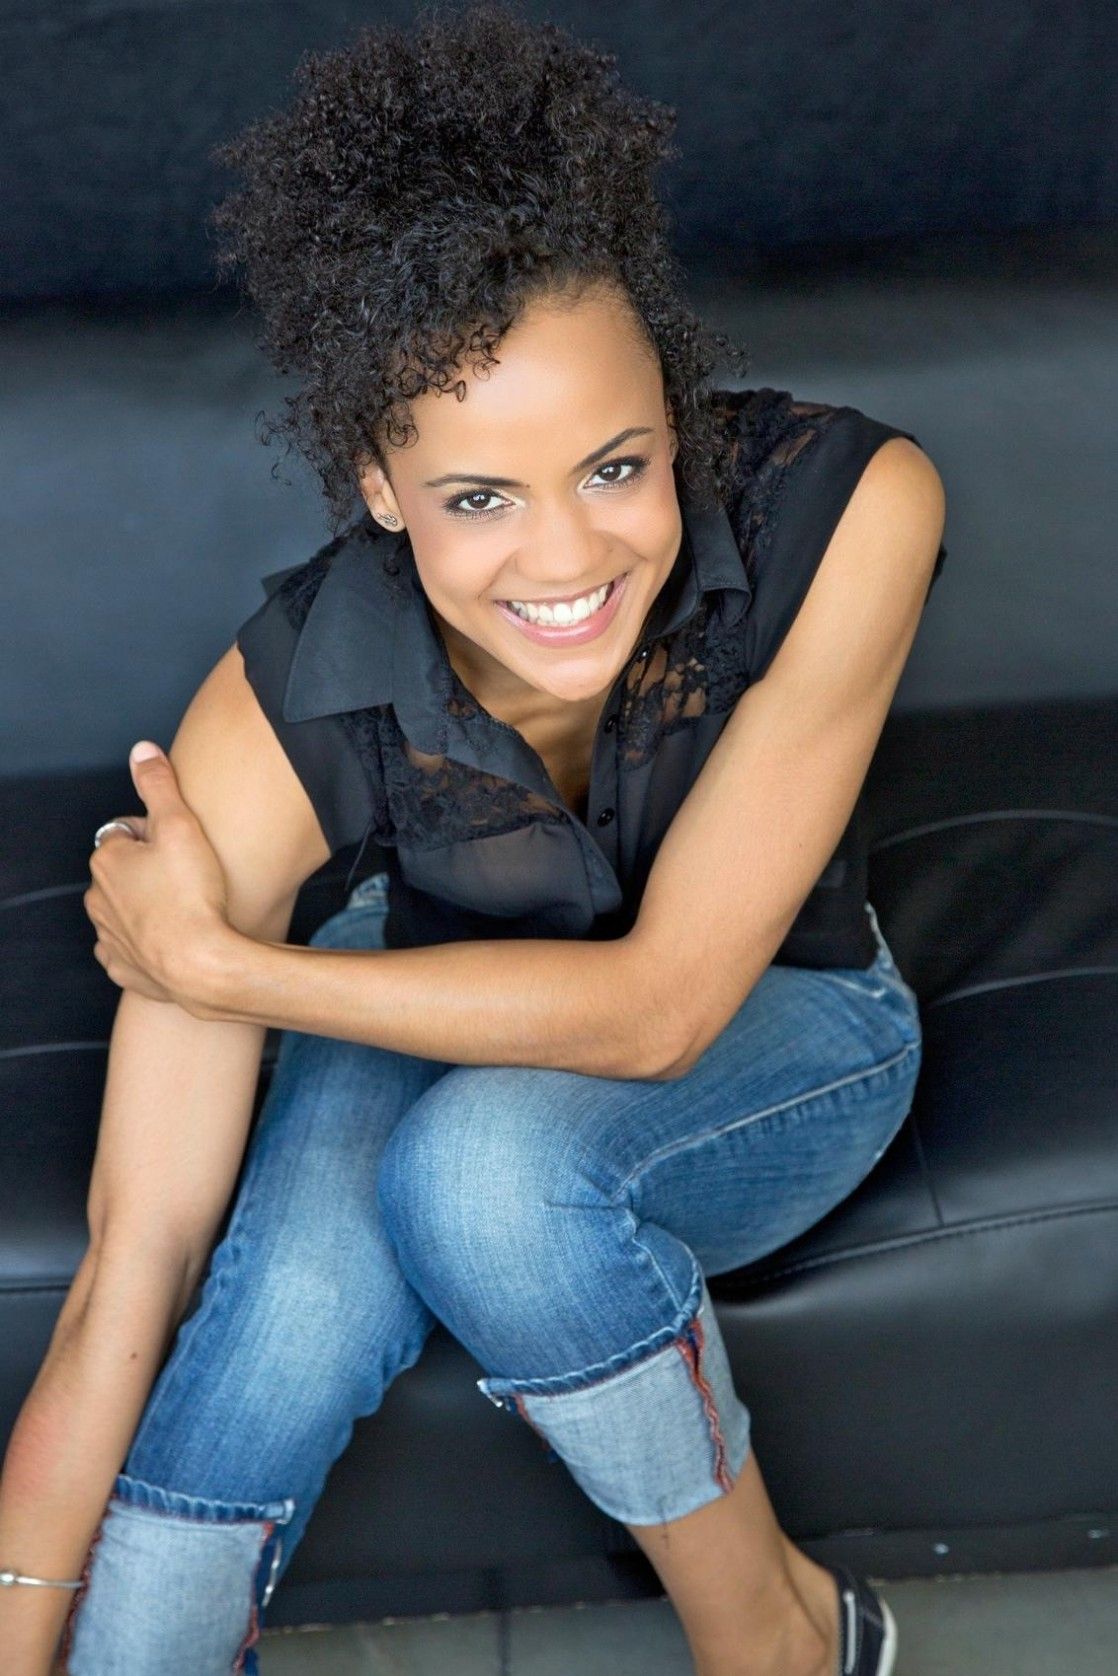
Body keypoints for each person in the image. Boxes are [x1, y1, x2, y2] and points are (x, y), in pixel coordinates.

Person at [0, 5, 947, 1673]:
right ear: (380, 487)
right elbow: (131, 1267)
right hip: (430, 991)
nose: (566, 559)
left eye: (616, 466)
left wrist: (227, 970)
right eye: (477, 499)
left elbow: (661, 1013)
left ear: (673, 415)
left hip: (779, 1025)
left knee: (482, 1179)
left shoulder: (850, 505)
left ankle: (783, 1639)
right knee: (281, 1320)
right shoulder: (281, 709)